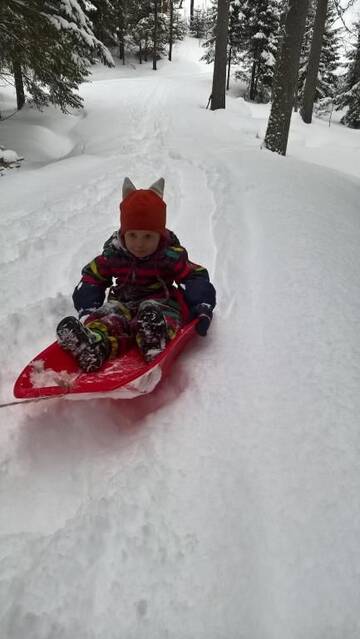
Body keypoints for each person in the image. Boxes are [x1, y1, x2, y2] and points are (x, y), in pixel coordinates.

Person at [56, 177, 216, 372]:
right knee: (110, 317)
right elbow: (93, 278)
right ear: (123, 234)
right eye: (133, 235)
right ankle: (94, 345)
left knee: (158, 313)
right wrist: (88, 309)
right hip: (124, 302)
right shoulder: (114, 255)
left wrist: (202, 305)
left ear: (160, 235)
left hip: (160, 302)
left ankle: (153, 338)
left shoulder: (169, 255)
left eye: (148, 236)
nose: (139, 244)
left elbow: (194, 276)